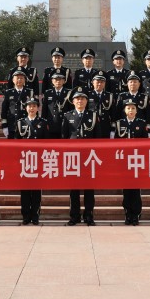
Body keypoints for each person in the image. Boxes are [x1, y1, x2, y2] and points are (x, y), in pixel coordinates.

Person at [62, 86, 104, 225]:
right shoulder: (67, 116)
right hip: (73, 157)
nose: (80, 101)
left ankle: (88, 216)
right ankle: (74, 216)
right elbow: (64, 137)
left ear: (87, 101)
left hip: (88, 157)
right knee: (74, 189)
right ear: (73, 101)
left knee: (89, 189)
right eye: (77, 99)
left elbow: (98, 137)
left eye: (82, 98)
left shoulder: (93, 115)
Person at [112, 98, 150, 225]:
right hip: (124, 161)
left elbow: (146, 144)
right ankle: (128, 214)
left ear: (136, 110)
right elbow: (115, 144)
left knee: (136, 189)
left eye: (133, 108)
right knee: (126, 189)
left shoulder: (142, 123)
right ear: (124, 110)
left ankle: (136, 214)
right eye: (128, 108)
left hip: (137, 160)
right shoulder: (119, 124)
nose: (131, 110)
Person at [13, 97, 49, 225]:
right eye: (29, 106)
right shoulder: (20, 123)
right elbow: (16, 143)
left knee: (36, 190)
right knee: (25, 190)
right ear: (26, 108)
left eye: (34, 106)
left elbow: (47, 143)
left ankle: (35, 215)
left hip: (38, 161)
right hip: (25, 161)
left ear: (38, 108)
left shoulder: (43, 123)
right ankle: (26, 216)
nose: (32, 108)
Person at [0, 68, 35, 138]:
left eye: (21, 78)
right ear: (13, 80)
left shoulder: (30, 92)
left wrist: (34, 123)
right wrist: (4, 126)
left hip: (27, 124)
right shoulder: (8, 92)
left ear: (25, 80)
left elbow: (34, 109)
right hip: (12, 124)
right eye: (17, 78)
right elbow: (4, 110)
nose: (19, 80)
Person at [42, 73, 73, 138]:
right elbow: (44, 110)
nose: (58, 81)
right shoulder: (48, 93)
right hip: (51, 124)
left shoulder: (68, 93)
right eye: (56, 80)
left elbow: (71, 109)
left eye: (60, 80)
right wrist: (44, 122)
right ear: (52, 81)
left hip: (65, 123)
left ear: (64, 81)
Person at [87, 70, 116, 138]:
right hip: (91, 126)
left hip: (105, 126)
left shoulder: (110, 96)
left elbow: (113, 114)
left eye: (102, 82)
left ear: (105, 83)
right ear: (92, 82)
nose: (99, 84)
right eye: (97, 82)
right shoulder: (88, 95)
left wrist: (113, 129)